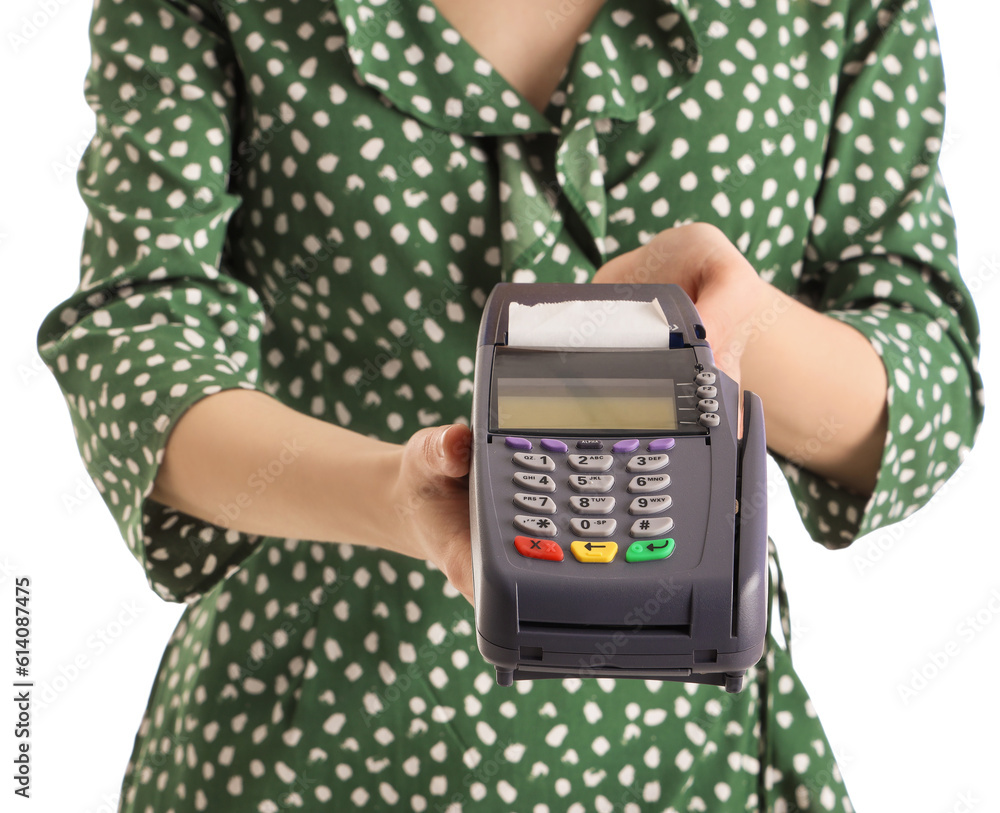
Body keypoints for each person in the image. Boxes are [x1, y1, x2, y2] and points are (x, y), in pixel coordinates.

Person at [37, 0, 983, 810]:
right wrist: (394, 494)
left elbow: (928, 367)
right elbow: (135, 337)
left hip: (694, 756)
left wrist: (744, 328)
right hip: (299, 740)